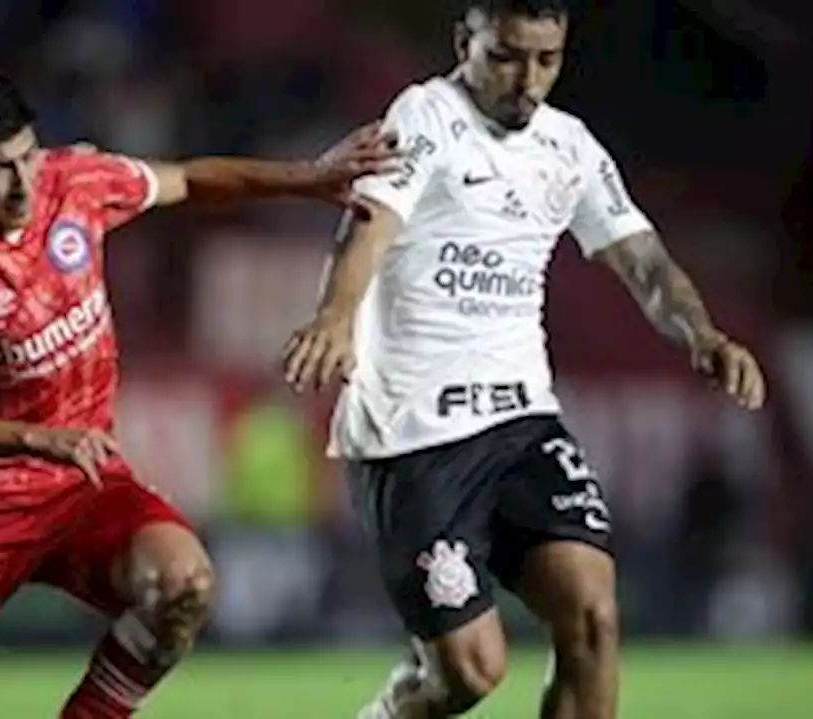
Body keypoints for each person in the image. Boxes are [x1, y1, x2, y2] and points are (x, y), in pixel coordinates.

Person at [0, 63, 396, 719]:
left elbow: (187, 179)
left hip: (81, 487)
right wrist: (33, 437)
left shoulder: (72, 181)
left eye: (26, 156)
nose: (21, 184)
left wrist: (309, 176)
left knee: (182, 582)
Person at [279, 2, 767, 718]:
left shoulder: (568, 146)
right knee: (469, 674)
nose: (527, 80)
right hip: (414, 437)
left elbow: (645, 262)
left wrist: (703, 334)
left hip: (523, 425)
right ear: (463, 42)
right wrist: (335, 316)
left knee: (594, 614)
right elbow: (369, 226)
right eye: (506, 56)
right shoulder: (424, 115)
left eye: (547, 59)